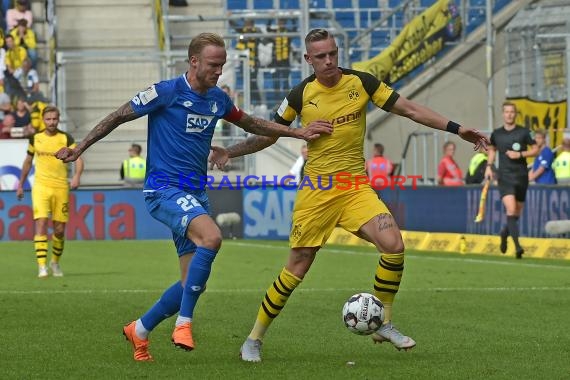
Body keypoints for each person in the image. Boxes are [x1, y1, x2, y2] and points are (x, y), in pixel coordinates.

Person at [209, 28, 489, 362]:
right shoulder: (300, 95)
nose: (329, 61)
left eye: (333, 54)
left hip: (355, 186)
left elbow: (410, 109)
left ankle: (383, 321)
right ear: (308, 60)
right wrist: (231, 152)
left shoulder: (362, 83)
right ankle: (254, 339)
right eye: (321, 56)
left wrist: (458, 130)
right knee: (297, 268)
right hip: (317, 192)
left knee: (394, 245)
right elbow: (269, 134)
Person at [54, 32, 332, 362]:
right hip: (163, 189)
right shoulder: (165, 92)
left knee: (190, 281)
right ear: (194, 61)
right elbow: (117, 116)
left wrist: (296, 131)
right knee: (212, 238)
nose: (219, 71)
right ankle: (184, 324)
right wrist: (79, 147)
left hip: (194, 192)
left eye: (223, 65)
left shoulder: (217, 99)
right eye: (214, 65)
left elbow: (253, 123)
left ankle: (140, 330)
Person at [16, 106, 84, 277]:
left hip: (61, 187)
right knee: (41, 223)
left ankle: (54, 263)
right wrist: (21, 183)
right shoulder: (35, 138)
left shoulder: (66, 138)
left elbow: (79, 158)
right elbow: (28, 161)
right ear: (43, 119)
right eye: (48, 119)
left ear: (58, 119)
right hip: (40, 186)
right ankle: (41, 267)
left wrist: (77, 176)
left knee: (59, 230)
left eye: (54, 119)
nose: (51, 122)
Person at [484, 101, 539, 259]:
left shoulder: (524, 132)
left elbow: (536, 149)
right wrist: (489, 166)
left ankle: (504, 233)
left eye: (512, 112)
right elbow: (492, 149)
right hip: (505, 176)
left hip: (521, 176)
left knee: (516, 212)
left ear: (515, 114)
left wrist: (520, 154)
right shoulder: (497, 134)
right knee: (511, 209)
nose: (509, 114)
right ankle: (518, 247)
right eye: (506, 112)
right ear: (503, 114)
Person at [234, 19, 262, 104]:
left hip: (254, 62)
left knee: (253, 82)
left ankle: (258, 102)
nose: (248, 26)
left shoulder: (256, 32)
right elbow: (234, 25)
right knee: (246, 83)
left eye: (250, 24)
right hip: (244, 63)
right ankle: (249, 102)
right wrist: (230, 16)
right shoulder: (242, 32)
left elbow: (261, 35)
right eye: (246, 24)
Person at [266, 18, 292, 100]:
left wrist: (292, 18)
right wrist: (270, 19)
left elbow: (295, 28)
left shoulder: (288, 32)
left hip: (285, 61)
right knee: (276, 81)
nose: (281, 23)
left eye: (282, 22)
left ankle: (287, 100)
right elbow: (268, 29)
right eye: (279, 22)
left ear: (285, 23)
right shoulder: (274, 32)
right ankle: (277, 99)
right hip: (275, 61)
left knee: (285, 81)